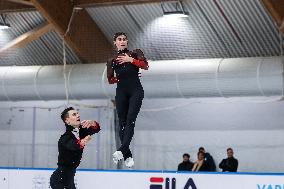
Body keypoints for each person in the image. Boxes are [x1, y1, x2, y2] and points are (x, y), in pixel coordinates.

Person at [106, 32, 149, 168]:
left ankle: (122, 150)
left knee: (130, 119)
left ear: (127, 41)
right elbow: (110, 79)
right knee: (122, 122)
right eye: (119, 39)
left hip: (136, 90)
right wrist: (120, 78)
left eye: (124, 39)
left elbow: (145, 65)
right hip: (121, 92)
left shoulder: (135, 53)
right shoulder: (112, 59)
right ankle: (127, 154)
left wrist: (131, 61)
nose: (122, 41)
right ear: (115, 42)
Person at [50, 107, 101, 189]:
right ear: (67, 121)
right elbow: (74, 146)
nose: (78, 115)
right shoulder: (64, 138)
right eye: (74, 114)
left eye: (77, 113)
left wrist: (92, 123)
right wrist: (84, 140)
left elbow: (96, 129)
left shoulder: (80, 132)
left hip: (69, 177)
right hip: (60, 179)